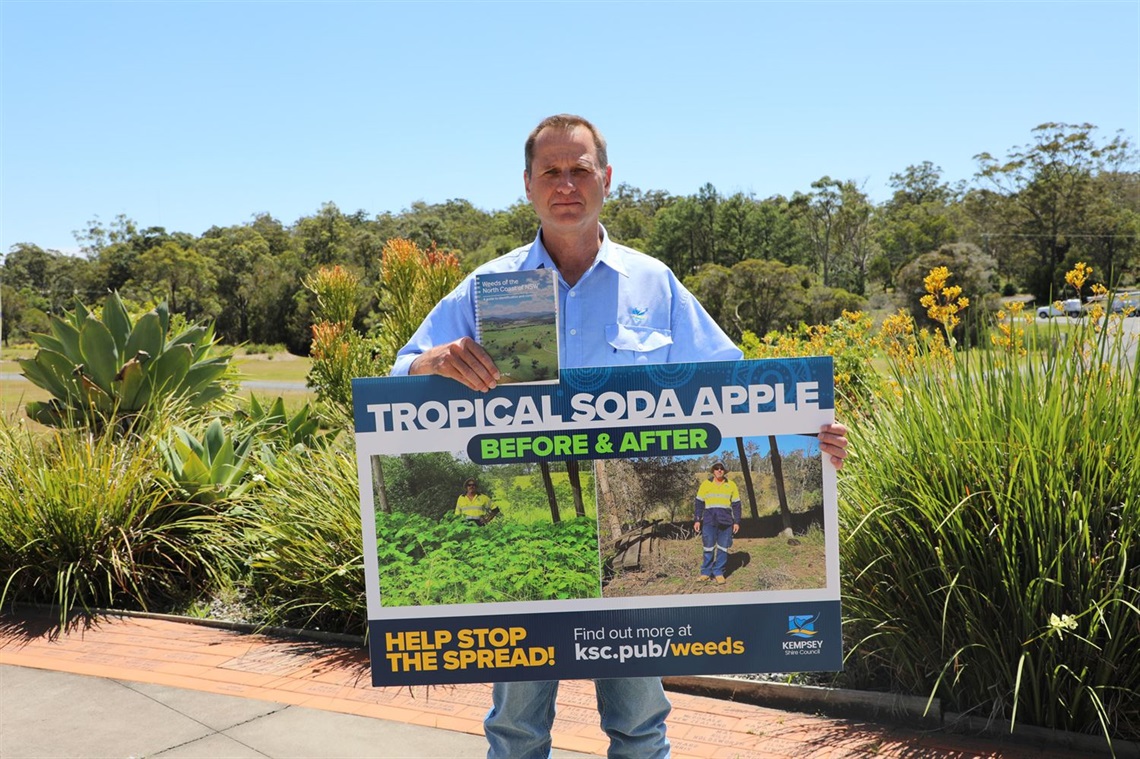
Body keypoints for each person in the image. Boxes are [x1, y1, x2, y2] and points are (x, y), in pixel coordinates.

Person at [392, 114, 850, 759]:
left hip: (617, 543)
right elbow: (397, 373)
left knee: (639, 723)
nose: (566, 183)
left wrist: (812, 428)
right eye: (551, 171)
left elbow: (736, 385)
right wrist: (432, 362)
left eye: (580, 169)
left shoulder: (653, 281)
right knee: (516, 725)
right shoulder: (490, 288)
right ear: (527, 185)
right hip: (545, 548)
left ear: (606, 179)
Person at [693, 460, 741, 584]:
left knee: (723, 548)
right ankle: (705, 573)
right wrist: (697, 519)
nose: (719, 470)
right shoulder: (705, 484)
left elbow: (736, 505)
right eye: (716, 468)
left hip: (726, 522)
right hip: (709, 521)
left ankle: (719, 572)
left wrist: (736, 522)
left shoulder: (731, 485)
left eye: (721, 468)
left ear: (724, 471)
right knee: (708, 547)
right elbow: (699, 503)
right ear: (713, 470)